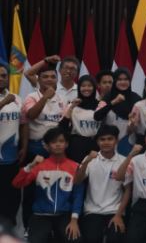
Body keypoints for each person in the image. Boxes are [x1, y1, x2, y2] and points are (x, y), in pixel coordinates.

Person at [12, 127, 84, 243]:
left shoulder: (75, 167)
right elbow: (17, 183)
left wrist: (74, 220)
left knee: (75, 240)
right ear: (47, 146)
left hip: (64, 215)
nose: (58, 144)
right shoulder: (39, 166)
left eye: (61, 141)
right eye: (54, 142)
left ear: (66, 144)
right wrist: (30, 165)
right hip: (40, 215)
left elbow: (78, 195)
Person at [20, 61, 68, 227]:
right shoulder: (31, 97)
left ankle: (52, 224)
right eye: (45, 77)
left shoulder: (62, 99)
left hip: (56, 150)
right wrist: (45, 97)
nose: (49, 79)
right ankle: (28, 225)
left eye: (52, 77)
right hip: (36, 149)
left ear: (57, 79)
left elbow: (64, 123)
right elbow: (31, 115)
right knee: (32, 190)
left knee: (53, 187)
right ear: (38, 79)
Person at [73, 125, 128, 243]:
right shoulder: (89, 159)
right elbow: (77, 181)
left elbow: (127, 190)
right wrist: (87, 161)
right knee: (92, 238)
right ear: (97, 142)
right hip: (92, 211)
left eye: (110, 139)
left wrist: (119, 215)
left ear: (116, 140)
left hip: (115, 210)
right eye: (102, 139)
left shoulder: (123, 161)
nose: (106, 142)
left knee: (115, 239)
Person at [94, 68, 142, 156]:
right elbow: (97, 116)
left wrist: (132, 123)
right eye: (119, 79)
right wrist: (113, 102)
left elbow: (140, 124)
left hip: (129, 142)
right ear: (115, 81)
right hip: (108, 143)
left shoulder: (136, 98)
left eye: (126, 79)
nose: (123, 82)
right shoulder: (107, 97)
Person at [0, 62, 23, 226]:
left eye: (3, 75)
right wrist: (4, 103)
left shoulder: (17, 98)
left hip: (12, 157)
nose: (1, 78)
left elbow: (24, 124)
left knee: (12, 193)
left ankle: (9, 225)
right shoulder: (9, 99)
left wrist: (25, 146)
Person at [59, 75, 101, 163]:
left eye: (89, 85)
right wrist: (72, 107)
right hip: (77, 145)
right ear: (79, 88)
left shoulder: (100, 105)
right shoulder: (73, 105)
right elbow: (62, 126)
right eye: (83, 86)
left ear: (94, 87)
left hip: (96, 144)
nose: (86, 88)